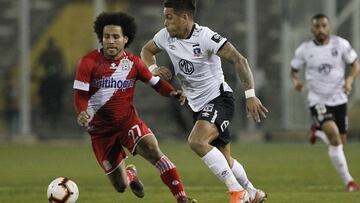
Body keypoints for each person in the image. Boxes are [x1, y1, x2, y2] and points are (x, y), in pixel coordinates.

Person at [141, 1, 268, 203]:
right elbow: (146, 51)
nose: (165, 22)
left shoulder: (206, 36)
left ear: (185, 18)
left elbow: (239, 59)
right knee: (225, 160)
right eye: (165, 17)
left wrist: (250, 95)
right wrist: (154, 69)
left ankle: (238, 192)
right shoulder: (165, 36)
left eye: (169, 17)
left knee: (197, 141)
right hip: (197, 106)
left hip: (219, 99)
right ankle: (253, 192)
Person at [73, 12, 197, 203]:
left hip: (127, 123)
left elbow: (156, 83)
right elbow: (80, 95)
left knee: (154, 151)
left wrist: (173, 92)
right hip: (100, 132)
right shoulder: (88, 62)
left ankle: (182, 198)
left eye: (116, 37)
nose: (111, 41)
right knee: (120, 186)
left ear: (125, 39)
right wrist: (82, 111)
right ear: (101, 38)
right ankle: (130, 175)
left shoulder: (133, 63)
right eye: (107, 37)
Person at [290, 13, 360, 192]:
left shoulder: (341, 44)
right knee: (335, 137)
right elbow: (294, 71)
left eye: (323, 26)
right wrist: (296, 81)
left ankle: (318, 130)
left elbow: (355, 64)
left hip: (339, 98)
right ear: (312, 29)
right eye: (317, 26)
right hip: (318, 100)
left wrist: (349, 80)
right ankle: (349, 182)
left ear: (328, 27)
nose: (320, 29)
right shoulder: (304, 49)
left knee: (340, 143)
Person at [38, 37, 65, 130]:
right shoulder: (46, 53)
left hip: (56, 78)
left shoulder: (57, 53)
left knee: (59, 94)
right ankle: (45, 108)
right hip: (49, 78)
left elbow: (62, 64)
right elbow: (39, 63)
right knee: (43, 91)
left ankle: (55, 114)